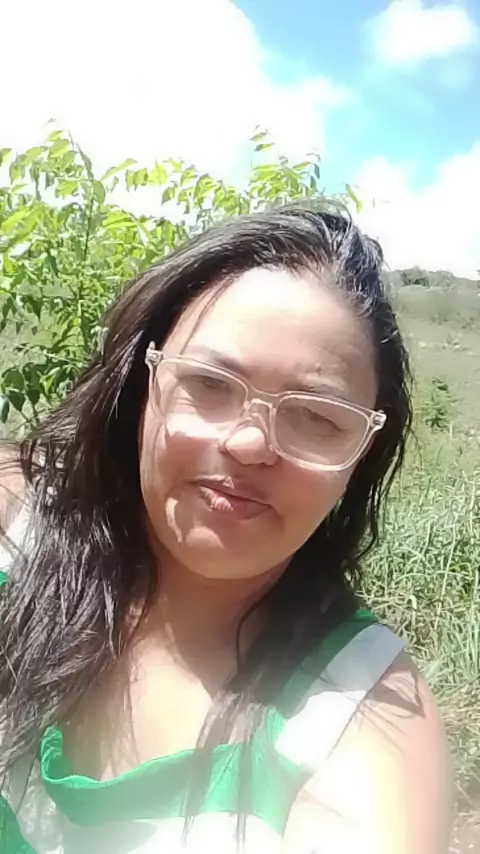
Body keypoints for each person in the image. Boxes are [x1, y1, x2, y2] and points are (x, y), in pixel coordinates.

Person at [0, 205, 450, 853]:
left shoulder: (354, 725)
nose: (249, 444)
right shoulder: (21, 528)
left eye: (317, 418)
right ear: (143, 385)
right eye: (210, 383)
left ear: (361, 457)